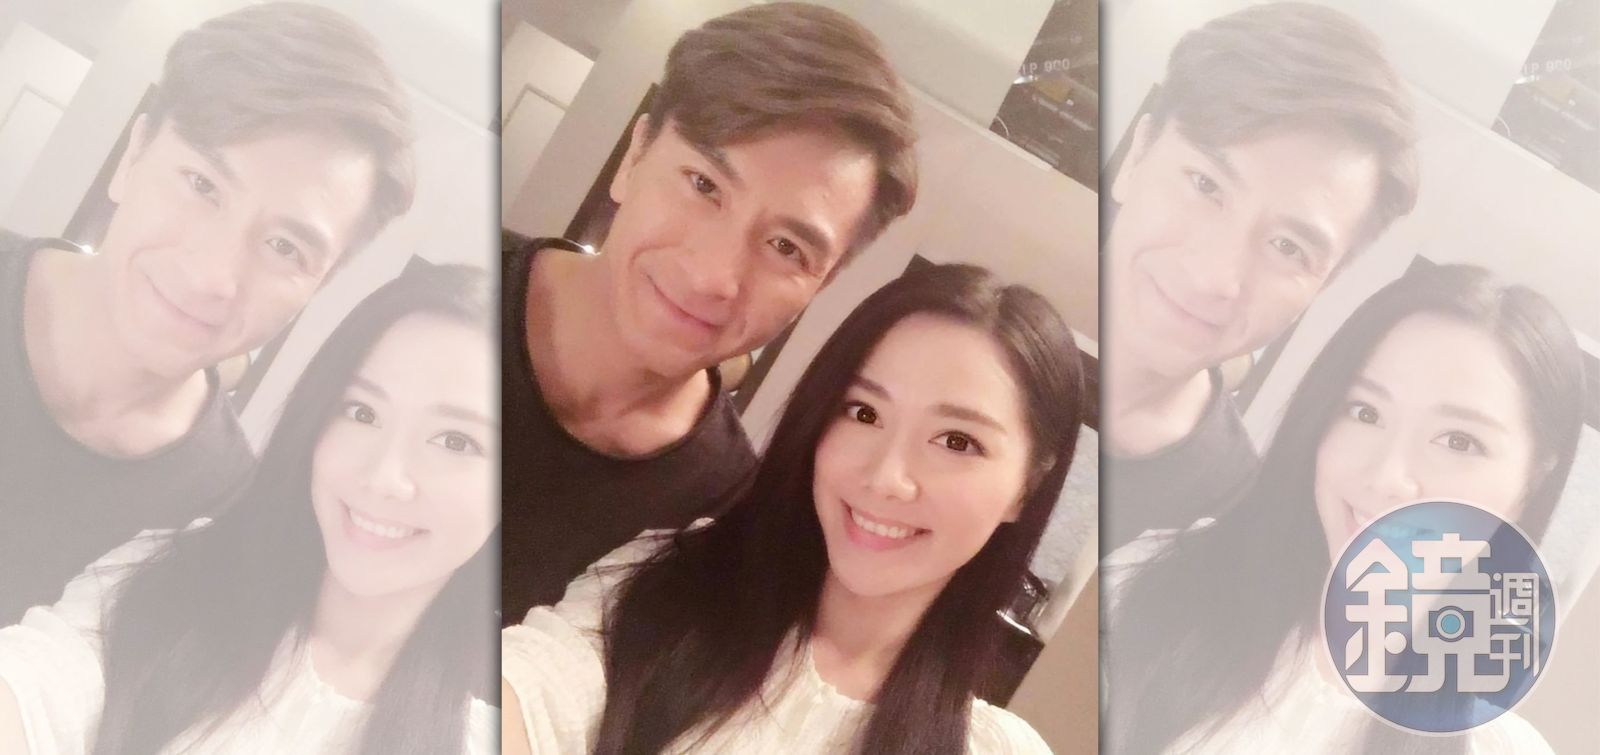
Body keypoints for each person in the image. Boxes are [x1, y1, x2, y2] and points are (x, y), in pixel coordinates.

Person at [503, 264, 1086, 754]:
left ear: (1027, 487)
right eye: (863, 412)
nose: (885, 478)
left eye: (957, 441)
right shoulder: (665, 589)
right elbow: (525, 690)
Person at [502, 2, 920, 622]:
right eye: (704, 185)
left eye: (786, 247)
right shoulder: (414, 283)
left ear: (821, 285)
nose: (713, 276)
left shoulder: (717, 527)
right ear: (634, 157)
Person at [0, 2, 417, 623]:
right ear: (132, 156)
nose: (211, 276)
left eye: (285, 247)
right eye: (202, 185)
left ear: (318, 285)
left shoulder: (217, 528)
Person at [0, 264, 497, 754]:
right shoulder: (170, 582)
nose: (383, 477)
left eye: (455, 441)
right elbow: (33, 686)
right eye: (361, 411)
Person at [1102, 264, 1586, 754]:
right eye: (1365, 412)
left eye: (1459, 441)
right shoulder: (1151, 589)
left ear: (1531, 483)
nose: (1386, 476)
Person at [1101, 2, 1421, 554]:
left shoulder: (1230, 529)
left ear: (1323, 285)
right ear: (1136, 156)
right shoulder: (955, 314)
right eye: (1206, 185)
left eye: (1288, 247)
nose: (1215, 276)